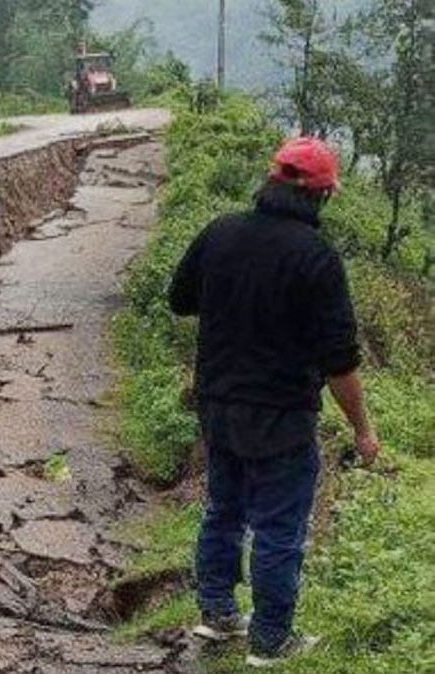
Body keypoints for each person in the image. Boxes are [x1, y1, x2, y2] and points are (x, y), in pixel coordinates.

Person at [169, 137, 380, 669]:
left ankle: (216, 615)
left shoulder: (221, 232)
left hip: (217, 405)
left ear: (270, 182)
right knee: (279, 528)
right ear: (322, 195)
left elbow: (180, 299)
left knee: (223, 510)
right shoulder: (316, 257)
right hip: (281, 415)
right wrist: (362, 429)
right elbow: (340, 362)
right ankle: (269, 640)